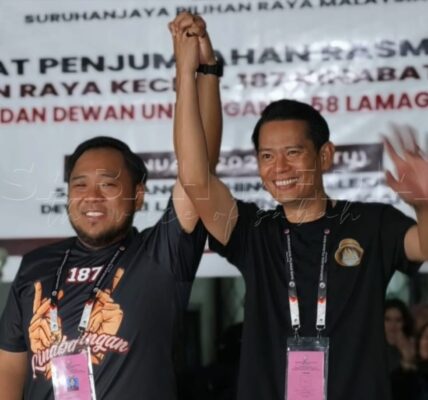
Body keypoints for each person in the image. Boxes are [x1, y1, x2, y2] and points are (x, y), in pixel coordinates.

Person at [172, 15, 428, 400]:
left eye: (293, 153)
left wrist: (424, 203)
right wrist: (196, 71)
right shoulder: (253, 231)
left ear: (325, 155)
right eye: (267, 156)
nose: (280, 168)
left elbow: (422, 244)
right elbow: (195, 177)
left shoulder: (370, 222)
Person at [0, 15, 221, 400]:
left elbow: (198, 171)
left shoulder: (160, 255)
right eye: (80, 185)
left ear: (138, 194)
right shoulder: (36, 265)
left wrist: (197, 72)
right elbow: (9, 368)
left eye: (108, 184)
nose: (92, 196)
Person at [384, 298, 416, 373]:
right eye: (387, 319)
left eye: (398, 320)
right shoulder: (373, 345)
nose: (392, 325)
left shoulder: (413, 344)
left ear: (404, 322)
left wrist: (407, 356)